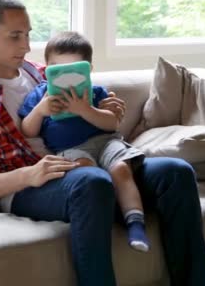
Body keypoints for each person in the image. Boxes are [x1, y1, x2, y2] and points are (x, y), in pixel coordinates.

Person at [0, 0, 205, 286]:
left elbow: (94, 104)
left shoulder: (52, 74)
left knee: (177, 173)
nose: (27, 46)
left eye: (28, 35)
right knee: (92, 183)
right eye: (15, 36)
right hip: (29, 183)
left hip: (92, 162)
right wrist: (29, 174)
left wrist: (105, 108)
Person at [18, 31, 150, 252]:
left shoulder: (96, 92)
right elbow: (27, 130)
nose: (66, 78)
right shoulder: (41, 95)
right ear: (47, 70)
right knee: (86, 174)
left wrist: (85, 109)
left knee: (121, 169)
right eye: (58, 69)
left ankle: (135, 223)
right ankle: (106, 214)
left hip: (105, 142)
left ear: (88, 70)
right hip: (71, 150)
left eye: (74, 69)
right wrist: (40, 111)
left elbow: (111, 124)